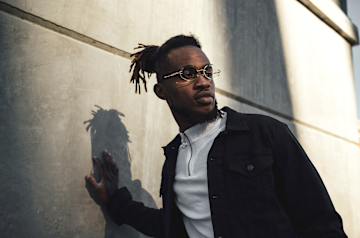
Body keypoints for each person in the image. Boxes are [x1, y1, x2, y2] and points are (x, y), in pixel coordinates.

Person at [85, 35, 347, 238]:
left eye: (207, 71)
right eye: (187, 74)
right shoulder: (174, 157)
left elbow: (320, 223)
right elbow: (172, 227)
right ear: (161, 91)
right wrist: (115, 201)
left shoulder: (265, 134)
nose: (203, 81)